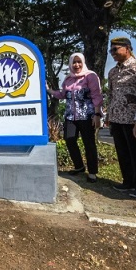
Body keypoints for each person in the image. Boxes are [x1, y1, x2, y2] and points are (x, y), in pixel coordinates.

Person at [107, 37, 136, 199]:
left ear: (127, 48)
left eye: (115, 49)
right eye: (111, 50)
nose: (112, 53)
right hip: (117, 118)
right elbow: (111, 95)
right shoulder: (112, 72)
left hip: (134, 119)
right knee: (123, 152)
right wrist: (109, 115)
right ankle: (129, 181)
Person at [47, 53, 103, 182]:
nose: (76, 65)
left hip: (87, 116)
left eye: (79, 62)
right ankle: (79, 166)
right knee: (69, 139)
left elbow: (96, 95)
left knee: (89, 143)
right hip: (70, 116)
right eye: (74, 62)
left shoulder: (90, 76)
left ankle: (92, 172)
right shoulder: (68, 79)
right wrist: (49, 90)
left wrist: (97, 114)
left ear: (83, 62)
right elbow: (62, 94)